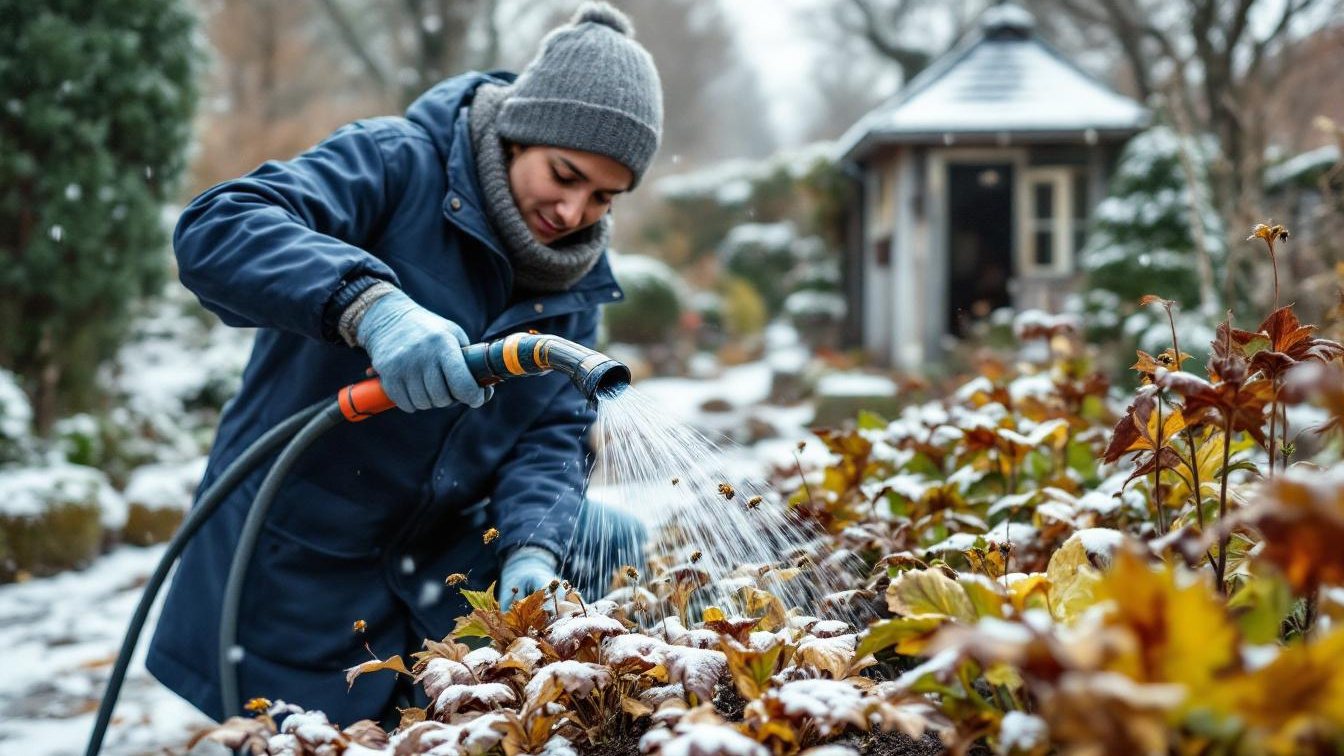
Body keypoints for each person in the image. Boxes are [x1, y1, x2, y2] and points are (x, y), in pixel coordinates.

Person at [146, 2, 661, 726]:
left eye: (604, 196)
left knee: (605, 543)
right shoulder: (394, 164)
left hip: (433, 565)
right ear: (518, 134)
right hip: (294, 553)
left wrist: (531, 552)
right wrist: (368, 306)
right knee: (291, 736)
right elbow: (220, 228)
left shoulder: (574, 282)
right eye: (565, 174)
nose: (575, 212)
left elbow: (551, 434)